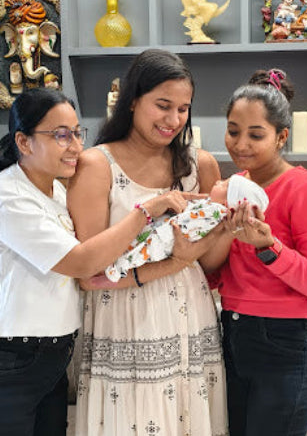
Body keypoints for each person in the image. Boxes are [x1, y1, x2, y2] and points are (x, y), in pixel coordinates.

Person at [0, 88, 202, 436]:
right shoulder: (9, 197)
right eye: (61, 135)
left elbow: (107, 253)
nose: (76, 146)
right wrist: (146, 211)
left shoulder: (58, 192)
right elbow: (82, 262)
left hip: (54, 352)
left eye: (78, 133)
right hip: (14, 356)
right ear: (24, 141)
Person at [67, 49, 229, 436]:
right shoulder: (96, 165)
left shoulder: (199, 165)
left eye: (183, 108)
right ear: (133, 99)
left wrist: (227, 229)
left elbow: (210, 264)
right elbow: (88, 269)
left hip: (190, 314)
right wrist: (171, 256)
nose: (173, 120)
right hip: (121, 312)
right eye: (163, 105)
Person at [200, 68, 307, 436]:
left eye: (255, 134)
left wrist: (268, 246)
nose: (240, 144)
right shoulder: (232, 188)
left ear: (282, 137)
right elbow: (216, 276)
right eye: (233, 131)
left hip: (287, 343)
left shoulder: (306, 190)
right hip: (231, 334)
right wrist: (215, 234)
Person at [105, 173, 269, 282]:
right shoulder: (208, 205)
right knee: (138, 243)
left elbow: (190, 221)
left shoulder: (216, 212)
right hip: (165, 230)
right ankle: (119, 263)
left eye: (224, 185)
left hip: (168, 238)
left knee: (143, 252)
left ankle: (120, 268)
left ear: (228, 203)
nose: (218, 181)